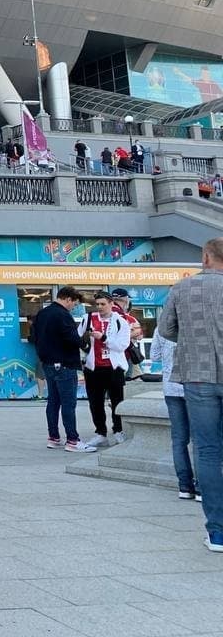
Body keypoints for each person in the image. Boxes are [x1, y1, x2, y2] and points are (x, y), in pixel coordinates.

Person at [159, 237, 223, 553]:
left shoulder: (181, 288)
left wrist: (192, 339)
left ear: (206, 257)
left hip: (198, 375)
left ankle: (218, 532)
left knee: (207, 450)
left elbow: (166, 330)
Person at [29, 286, 96, 452]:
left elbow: (35, 337)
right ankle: (73, 440)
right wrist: (85, 344)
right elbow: (71, 338)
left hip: (48, 364)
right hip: (65, 364)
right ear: (68, 299)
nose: (73, 307)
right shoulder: (63, 315)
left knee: (53, 401)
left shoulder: (42, 313)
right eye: (74, 304)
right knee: (68, 403)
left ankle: (53, 437)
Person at [149, 328, 199, 501]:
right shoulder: (195, 322)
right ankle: (201, 486)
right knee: (199, 439)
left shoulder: (161, 328)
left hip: (170, 387)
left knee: (179, 440)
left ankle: (185, 486)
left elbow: (154, 356)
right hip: (195, 385)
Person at [81, 291, 131, 448]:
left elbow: (122, 345)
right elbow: (77, 337)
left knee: (117, 401)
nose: (100, 307)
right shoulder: (88, 318)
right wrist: (84, 347)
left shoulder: (120, 321)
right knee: (95, 403)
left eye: (103, 304)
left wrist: (104, 338)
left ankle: (118, 430)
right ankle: (100, 433)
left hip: (114, 367)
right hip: (93, 367)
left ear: (111, 304)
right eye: (97, 304)